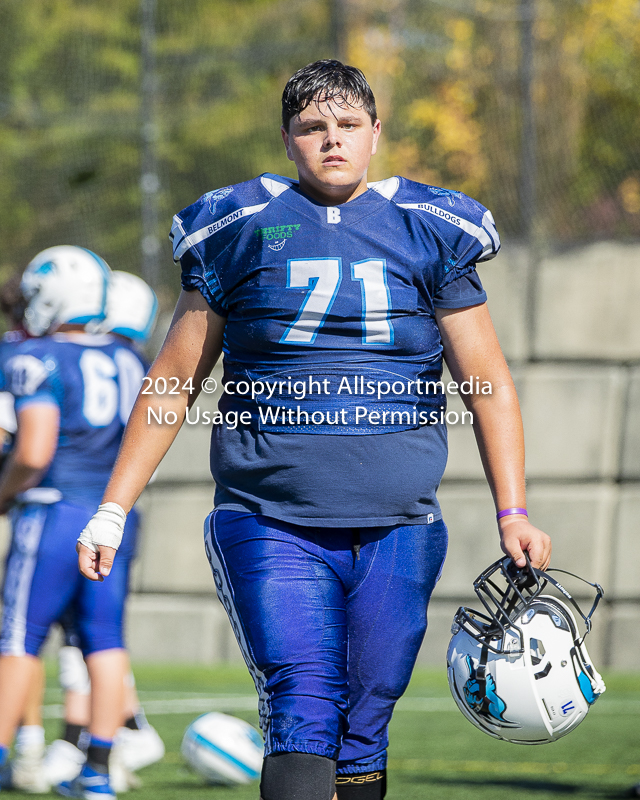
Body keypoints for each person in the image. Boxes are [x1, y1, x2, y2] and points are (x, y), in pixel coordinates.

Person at [78, 60, 552, 800]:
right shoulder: (236, 225)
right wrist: (112, 509)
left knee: (367, 720)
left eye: (348, 125)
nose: (332, 140)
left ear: (375, 133)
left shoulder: (431, 227)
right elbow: (173, 381)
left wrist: (513, 511)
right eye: (312, 127)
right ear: (287, 138)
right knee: (303, 704)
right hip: (271, 519)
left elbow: (485, 383)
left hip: (399, 523)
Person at [0, 247, 147, 799]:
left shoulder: (37, 356)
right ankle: (99, 771)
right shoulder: (129, 358)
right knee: (105, 640)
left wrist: (2, 492)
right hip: (112, 512)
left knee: (18, 637)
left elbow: (34, 451)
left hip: (53, 510)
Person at [43, 271, 164, 793]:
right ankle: (107, 740)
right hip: (119, 509)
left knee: (68, 633)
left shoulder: (67, 357)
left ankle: (83, 740)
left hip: (78, 507)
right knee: (98, 632)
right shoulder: (134, 362)